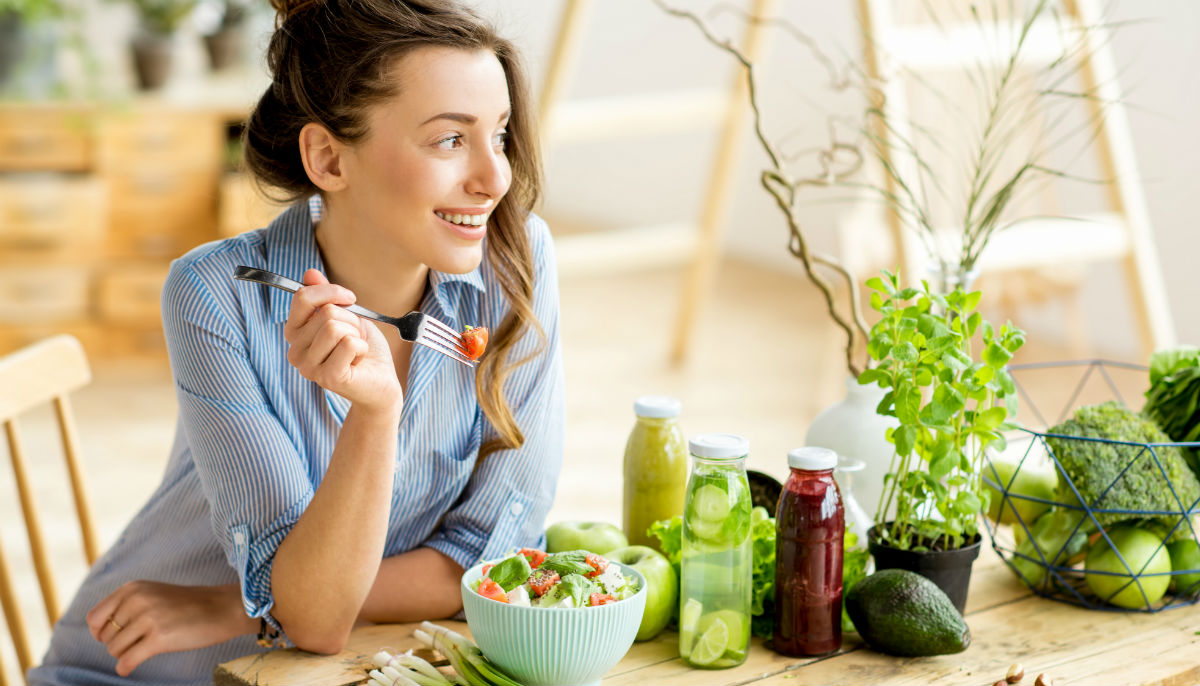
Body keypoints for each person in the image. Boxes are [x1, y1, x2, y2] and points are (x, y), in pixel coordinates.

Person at [28, 0, 563, 683]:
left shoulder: (518, 263)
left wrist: (242, 606)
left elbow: (497, 556)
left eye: (501, 134)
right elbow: (315, 620)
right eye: (450, 141)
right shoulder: (215, 292)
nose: (496, 178)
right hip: (147, 670)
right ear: (328, 158)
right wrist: (375, 413)